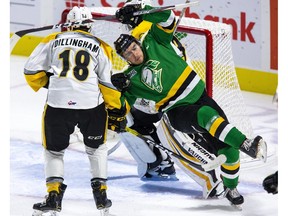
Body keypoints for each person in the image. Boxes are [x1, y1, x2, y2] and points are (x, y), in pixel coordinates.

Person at [110, 3, 267, 207]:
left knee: (228, 149)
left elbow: (167, 18)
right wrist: (116, 89)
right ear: (124, 59)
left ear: (138, 43)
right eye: (128, 54)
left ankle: (230, 186)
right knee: (206, 115)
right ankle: (247, 143)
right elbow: (120, 109)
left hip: (200, 94)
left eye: (134, 48)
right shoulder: (130, 78)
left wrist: (143, 8)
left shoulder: (154, 41)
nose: (134, 54)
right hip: (177, 111)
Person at [24, 6, 126, 215]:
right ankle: (102, 196)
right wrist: (117, 111)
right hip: (90, 106)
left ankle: (53, 196)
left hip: (58, 105)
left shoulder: (53, 39)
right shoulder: (100, 45)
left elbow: (30, 70)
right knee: (96, 149)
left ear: (68, 23)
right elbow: (107, 83)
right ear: (89, 25)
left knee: (54, 151)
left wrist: (50, 83)